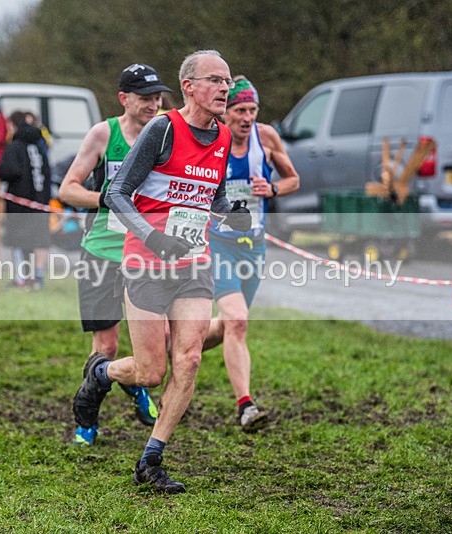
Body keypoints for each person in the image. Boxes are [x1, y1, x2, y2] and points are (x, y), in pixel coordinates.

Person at [72, 50, 251, 493]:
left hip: (193, 262)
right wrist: (151, 238)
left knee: (188, 358)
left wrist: (233, 214)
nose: (224, 89)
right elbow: (116, 194)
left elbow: (213, 198)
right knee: (151, 372)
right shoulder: (163, 129)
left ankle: (151, 457)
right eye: (215, 80)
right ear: (189, 86)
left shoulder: (224, 138)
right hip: (146, 260)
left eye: (227, 81)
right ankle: (101, 375)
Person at [59, 63, 172, 445]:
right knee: (105, 347)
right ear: (124, 99)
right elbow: (68, 189)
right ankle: (87, 421)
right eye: (145, 98)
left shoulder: (168, 134)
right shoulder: (104, 134)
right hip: (102, 253)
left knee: (165, 339)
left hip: (146, 256)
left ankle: (137, 381)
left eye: (158, 97)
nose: (154, 104)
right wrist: (108, 200)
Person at [203, 76, 300, 432]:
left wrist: (272, 187)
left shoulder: (267, 138)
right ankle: (245, 405)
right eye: (240, 110)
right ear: (225, 112)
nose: (246, 117)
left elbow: (294, 180)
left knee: (229, 325)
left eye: (252, 110)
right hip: (217, 242)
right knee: (238, 321)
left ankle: (181, 350)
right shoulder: (211, 139)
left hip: (254, 245)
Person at [0, 111, 51, 290]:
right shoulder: (39, 146)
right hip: (41, 200)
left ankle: (21, 278)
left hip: (19, 202)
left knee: (17, 239)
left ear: (13, 124)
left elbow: (8, 171)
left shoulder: (15, 146)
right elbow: (47, 172)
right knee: (39, 239)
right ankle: (38, 276)